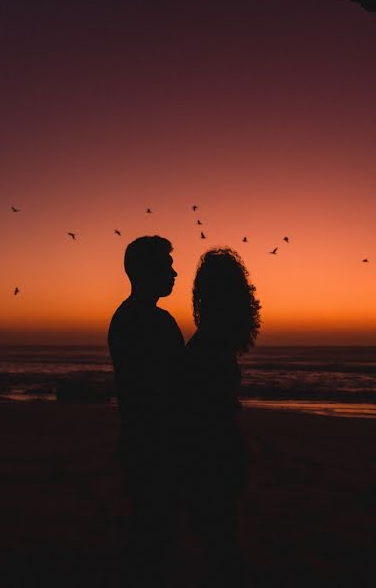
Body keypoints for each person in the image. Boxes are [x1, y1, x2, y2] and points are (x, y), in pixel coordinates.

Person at [181, 247, 261, 587]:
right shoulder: (221, 342)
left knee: (218, 535)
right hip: (222, 447)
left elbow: (198, 405)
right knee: (222, 534)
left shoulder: (209, 343)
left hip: (210, 450)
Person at [107, 235, 184, 586]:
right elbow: (173, 387)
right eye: (167, 266)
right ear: (146, 270)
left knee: (148, 529)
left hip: (139, 440)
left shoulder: (123, 318)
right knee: (157, 534)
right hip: (158, 444)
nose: (174, 273)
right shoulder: (155, 323)